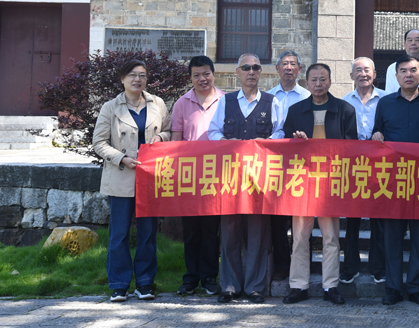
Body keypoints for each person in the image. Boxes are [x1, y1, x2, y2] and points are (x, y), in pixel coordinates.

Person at [93, 59, 171, 302]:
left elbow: (170, 131)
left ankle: (145, 283)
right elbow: (99, 143)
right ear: (122, 79)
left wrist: (160, 136)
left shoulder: (157, 103)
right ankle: (118, 284)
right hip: (122, 177)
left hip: (150, 178)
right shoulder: (110, 107)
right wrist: (121, 158)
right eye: (132, 75)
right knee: (119, 233)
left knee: (148, 233)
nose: (138, 79)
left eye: (142, 75)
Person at [208, 54, 284, 304]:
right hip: (229, 178)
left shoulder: (272, 102)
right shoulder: (225, 101)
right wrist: (226, 143)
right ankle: (229, 285)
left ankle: (255, 287)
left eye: (256, 68)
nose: (251, 72)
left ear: (261, 72)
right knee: (229, 231)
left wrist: (262, 145)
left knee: (258, 232)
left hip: (260, 179)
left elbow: (279, 132)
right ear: (237, 73)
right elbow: (213, 131)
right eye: (246, 68)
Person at [372, 54, 419, 306]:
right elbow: (376, 134)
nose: (408, 74)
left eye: (413, 70)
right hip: (393, 182)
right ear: (396, 76)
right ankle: (393, 287)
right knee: (392, 236)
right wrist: (376, 134)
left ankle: (415, 286)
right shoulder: (385, 103)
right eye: (403, 71)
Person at [282, 63, 357, 305]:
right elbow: (284, 144)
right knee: (300, 236)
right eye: (313, 80)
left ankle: (330, 285)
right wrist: (297, 141)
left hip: (330, 183)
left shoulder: (345, 110)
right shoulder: (295, 111)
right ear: (306, 83)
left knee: (331, 237)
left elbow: (351, 147)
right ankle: (298, 285)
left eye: (323, 79)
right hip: (302, 182)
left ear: (330, 82)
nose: (318, 84)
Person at [172, 56, 225, 296]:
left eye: (206, 74)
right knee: (191, 230)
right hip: (190, 178)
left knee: (211, 230)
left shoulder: (226, 101)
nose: (202, 79)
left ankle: (209, 277)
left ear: (213, 74)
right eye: (196, 75)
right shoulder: (182, 103)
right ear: (190, 77)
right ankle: (190, 278)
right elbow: (175, 142)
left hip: (219, 176)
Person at [340, 57, 387, 285]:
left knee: (379, 218)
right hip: (352, 167)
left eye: (367, 70)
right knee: (352, 219)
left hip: (380, 167)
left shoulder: (387, 99)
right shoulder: (342, 102)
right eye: (358, 70)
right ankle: (351, 266)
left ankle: (378, 267)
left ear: (375, 74)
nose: (363, 74)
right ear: (351, 76)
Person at [266, 50, 310, 281]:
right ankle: (283, 264)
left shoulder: (307, 96)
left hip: (301, 164)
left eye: (293, 64)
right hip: (274, 164)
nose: (288, 68)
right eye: (284, 64)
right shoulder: (268, 97)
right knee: (278, 217)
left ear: (300, 70)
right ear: (277, 69)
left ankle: (303, 263)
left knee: (301, 217)